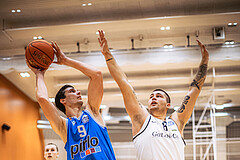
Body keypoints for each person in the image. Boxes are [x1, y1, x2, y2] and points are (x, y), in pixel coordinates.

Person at [98, 30, 209, 160]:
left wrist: (205, 60)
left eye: (158, 96)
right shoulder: (142, 119)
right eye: (151, 96)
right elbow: (124, 84)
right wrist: (107, 54)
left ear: (168, 105)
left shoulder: (176, 122)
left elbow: (194, 89)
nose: (153, 97)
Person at [27, 41, 116, 160]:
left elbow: (97, 75)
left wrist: (65, 60)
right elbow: (42, 99)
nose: (78, 93)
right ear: (63, 100)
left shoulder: (93, 112)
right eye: (72, 91)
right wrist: (39, 74)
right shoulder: (64, 126)